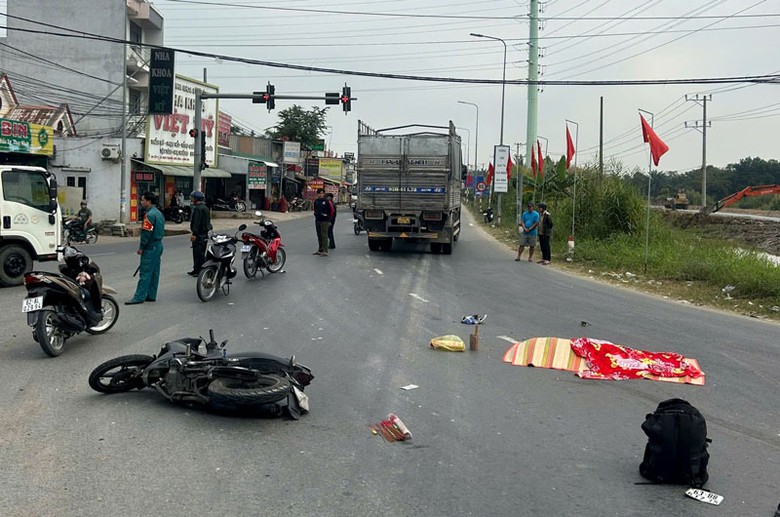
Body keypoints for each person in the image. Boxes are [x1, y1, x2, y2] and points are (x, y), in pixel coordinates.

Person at [126, 192, 165, 305]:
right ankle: (151, 295)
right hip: (158, 245)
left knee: (145, 273)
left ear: (149, 201)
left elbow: (146, 233)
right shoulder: (158, 213)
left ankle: (139, 297)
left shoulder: (149, 215)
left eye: (143, 200)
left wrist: (141, 247)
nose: (141, 202)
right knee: (154, 272)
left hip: (150, 246)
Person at [188, 190, 211, 276]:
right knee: (199, 252)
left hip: (198, 235)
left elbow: (197, 223)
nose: (192, 200)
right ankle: (196, 269)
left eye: (193, 198)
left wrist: (194, 234)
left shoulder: (198, 209)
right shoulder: (205, 208)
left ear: (196, 199)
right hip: (204, 234)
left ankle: (200, 270)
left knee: (199, 253)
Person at [312, 188, 333, 256]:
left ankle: (325, 251)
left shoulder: (327, 201)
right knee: (319, 235)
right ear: (317, 194)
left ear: (324, 194)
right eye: (319, 193)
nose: (321, 194)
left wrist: (329, 219)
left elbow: (332, 211)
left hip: (325, 221)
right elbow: (315, 210)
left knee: (324, 236)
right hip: (318, 220)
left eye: (322, 193)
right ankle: (320, 249)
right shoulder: (316, 201)